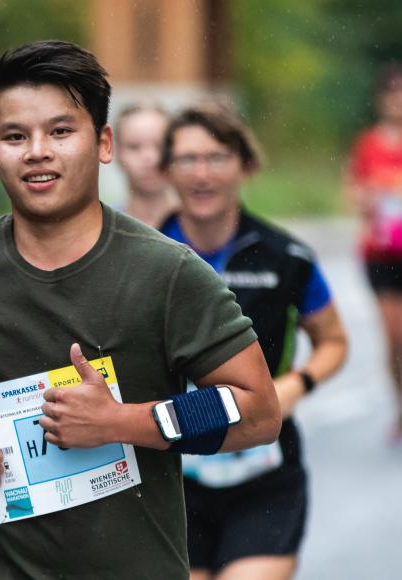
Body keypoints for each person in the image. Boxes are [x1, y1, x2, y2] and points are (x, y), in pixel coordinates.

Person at [0, 40, 282, 579]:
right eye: (14, 136)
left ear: (103, 143)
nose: (37, 151)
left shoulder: (167, 273)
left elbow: (257, 412)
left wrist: (121, 421)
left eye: (61, 132)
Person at [158, 102, 348, 580]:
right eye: (188, 159)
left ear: (245, 165)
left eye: (218, 157)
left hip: (265, 471)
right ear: (166, 170)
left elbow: (334, 341)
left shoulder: (287, 256)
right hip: (173, 475)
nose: (202, 174)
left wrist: (296, 384)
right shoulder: (144, 256)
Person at [344, 63, 402, 442]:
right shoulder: (368, 144)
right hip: (381, 254)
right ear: (381, 98)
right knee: (395, 338)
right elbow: (353, 192)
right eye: (392, 92)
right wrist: (373, 195)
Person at [115, 101, 178, 227]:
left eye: (160, 146)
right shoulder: (103, 227)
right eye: (134, 147)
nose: (150, 158)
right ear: (115, 152)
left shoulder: (195, 226)